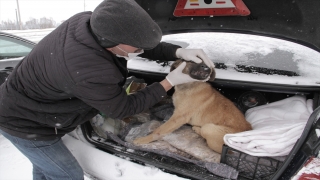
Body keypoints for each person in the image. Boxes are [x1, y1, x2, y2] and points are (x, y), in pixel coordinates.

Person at [0, 0, 214, 179]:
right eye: (136, 48)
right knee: (68, 175)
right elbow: (122, 109)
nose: (140, 51)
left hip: (33, 106)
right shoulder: (86, 68)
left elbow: (137, 43)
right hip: (24, 123)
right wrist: (168, 82)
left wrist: (178, 52)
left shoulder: (89, 22)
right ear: (111, 42)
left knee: (45, 169)